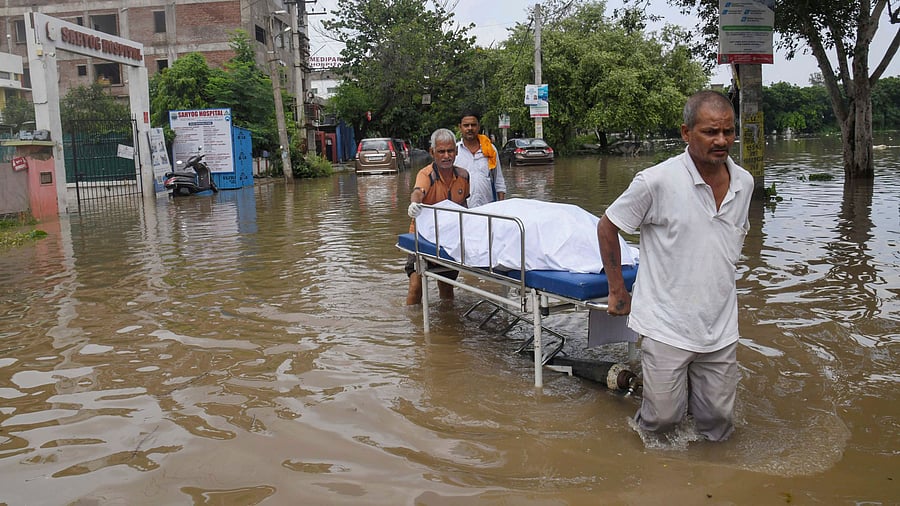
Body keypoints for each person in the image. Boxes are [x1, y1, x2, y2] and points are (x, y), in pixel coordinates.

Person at [597, 90, 754, 442]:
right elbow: (608, 225)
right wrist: (617, 289)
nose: (722, 140)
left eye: (728, 132)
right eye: (711, 132)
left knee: (718, 422)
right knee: (662, 421)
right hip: (666, 323)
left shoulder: (744, 183)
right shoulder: (656, 181)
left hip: (720, 324)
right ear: (686, 133)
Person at [405, 128, 471, 305]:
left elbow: (464, 205)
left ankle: (447, 321)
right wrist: (414, 204)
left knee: (447, 286)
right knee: (416, 286)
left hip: (449, 238)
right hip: (421, 236)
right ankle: (412, 325)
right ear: (432, 152)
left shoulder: (463, 176)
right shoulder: (426, 174)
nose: (446, 156)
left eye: (450, 151)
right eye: (441, 151)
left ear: (456, 152)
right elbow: (418, 191)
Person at [455, 111, 506, 208]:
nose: (470, 128)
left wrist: (501, 207)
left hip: (488, 210)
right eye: (466, 125)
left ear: (478, 127)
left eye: (473, 125)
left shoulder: (490, 150)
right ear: (460, 127)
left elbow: (499, 180)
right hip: (462, 211)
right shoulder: (454, 152)